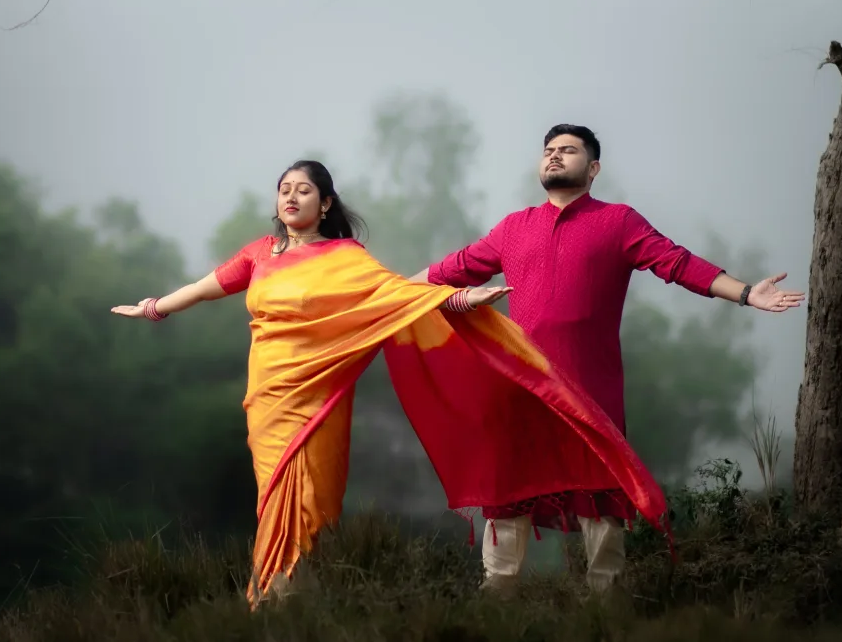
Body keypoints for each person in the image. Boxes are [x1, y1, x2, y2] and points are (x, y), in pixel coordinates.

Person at [113, 159, 677, 607]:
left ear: (325, 202)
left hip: (320, 392)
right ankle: (280, 606)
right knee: (272, 498)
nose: (291, 197)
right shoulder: (260, 254)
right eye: (284, 189)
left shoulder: (345, 257)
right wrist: (157, 306)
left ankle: (285, 603)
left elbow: (396, 298)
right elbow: (210, 285)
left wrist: (458, 298)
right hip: (268, 394)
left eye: (304, 190)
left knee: (307, 500)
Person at [410, 124, 805, 594]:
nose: (554, 157)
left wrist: (745, 293)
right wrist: (377, 298)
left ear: (593, 168)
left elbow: (675, 263)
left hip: (589, 388)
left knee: (600, 491)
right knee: (507, 492)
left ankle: (605, 607)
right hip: (519, 389)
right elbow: (438, 276)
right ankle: (497, 602)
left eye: (568, 151)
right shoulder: (512, 228)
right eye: (549, 151)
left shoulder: (617, 221)